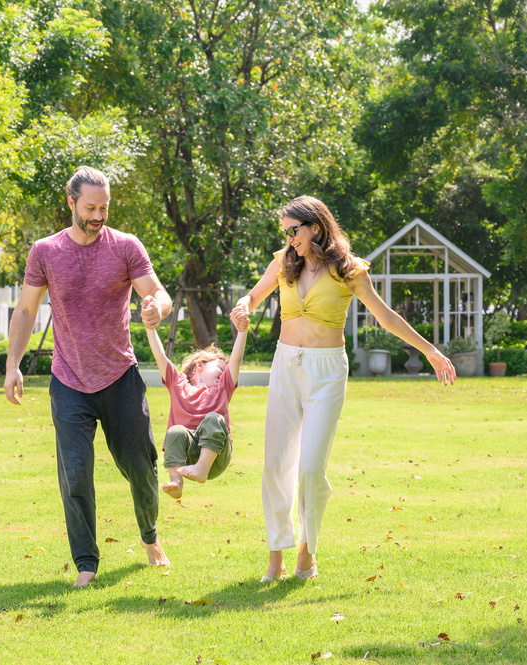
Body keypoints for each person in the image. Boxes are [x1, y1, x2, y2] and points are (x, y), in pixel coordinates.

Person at [230, 195, 457, 583]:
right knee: (276, 463)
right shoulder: (283, 263)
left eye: (293, 231)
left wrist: (430, 351)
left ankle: (307, 550)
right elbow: (252, 296)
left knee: (311, 466)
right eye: (285, 232)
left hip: (327, 371)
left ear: (315, 227)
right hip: (286, 365)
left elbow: (386, 317)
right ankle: (275, 557)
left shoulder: (349, 270)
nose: (289, 239)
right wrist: (242, 307)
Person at [3, 166, 172, 588]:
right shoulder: (45, 251)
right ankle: (86, 563)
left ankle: (150, 537)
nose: (98, 216)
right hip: (69, 380)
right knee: (75, 474)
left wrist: (157, 307)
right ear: (71, 203)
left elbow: (157, 292)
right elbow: (26, 309)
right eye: (90, 208)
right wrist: (12, 365)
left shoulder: (125, 246)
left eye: (104, 208)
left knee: (141, 466)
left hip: (120, 376)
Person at [142, 297, 249, 500]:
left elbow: (236, 359)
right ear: (199, 365)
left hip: (217, 456)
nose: (224, 373)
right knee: (175, 431)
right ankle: (176, 481)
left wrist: (242, 330)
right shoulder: (177, 384)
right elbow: (160, 356)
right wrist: (150, 327)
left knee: (213, 418)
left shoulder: (222, 388)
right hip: (188, 455)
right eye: (220, 367)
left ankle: (202, 468)